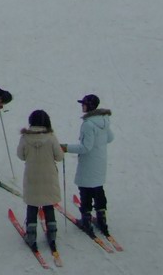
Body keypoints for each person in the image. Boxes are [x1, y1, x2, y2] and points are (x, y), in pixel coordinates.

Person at [62, 94, 114, 237]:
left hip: (89, 163)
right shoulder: (104, 120)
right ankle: (102, 218)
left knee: (85, 190)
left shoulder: (88, 124)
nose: (82, 106)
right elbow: (110, 138)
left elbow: (85, 148)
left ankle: (86, 220)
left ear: (89, 106)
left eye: (83, 104)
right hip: (100, 161)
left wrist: (66, 147)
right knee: (98, 189)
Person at [16, 110, 64, 256]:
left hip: (32, 177)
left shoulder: (25, 137)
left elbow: (20, 155)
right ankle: (52, 235)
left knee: (32, 205)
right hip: (48, 176)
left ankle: (31, 236)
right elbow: (59, 156)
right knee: (48, 204)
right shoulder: (51, 137)